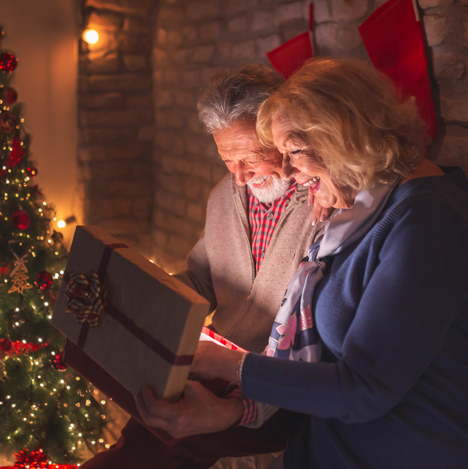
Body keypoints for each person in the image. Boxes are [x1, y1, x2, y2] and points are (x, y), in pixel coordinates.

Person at [137, 58, 468, 469]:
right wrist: (233, 411)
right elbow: (312, 358)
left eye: (293, 153)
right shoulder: (359, 214)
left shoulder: (429, 220)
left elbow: (362, 386)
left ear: (342, 134)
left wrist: (229, 366)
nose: (290, 173)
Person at [82, 65, 328, 469]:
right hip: (211, 362)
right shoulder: (223, 196)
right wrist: (144, 300)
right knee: (141, 428)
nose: (240, 175)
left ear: (283, 135)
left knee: (151, 448)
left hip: (267, 377)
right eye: (227, 159)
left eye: (250, 158)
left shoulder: (320, 202)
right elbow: (198, 278)